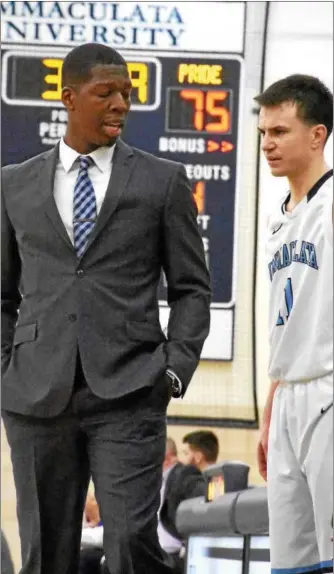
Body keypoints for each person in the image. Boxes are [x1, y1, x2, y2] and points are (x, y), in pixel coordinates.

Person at [1, 43, 211, 574]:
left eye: (127, 92)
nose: (120, 103)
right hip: (34, 395)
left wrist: (174, 370)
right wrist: (7, 370)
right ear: (69, 98)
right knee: (46, 555)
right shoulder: (14, 183)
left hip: (131, 391)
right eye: (106, 92)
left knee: (131, 548)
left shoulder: (163, 181)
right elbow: (3, 294)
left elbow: (191, 288)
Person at [255, 75, 333, 573]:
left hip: (328, 390)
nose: (268, 144)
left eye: (280, 131)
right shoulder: (277, 218)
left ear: (317, 135)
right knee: (290, 563)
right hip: (287, 398)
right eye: (264, 132)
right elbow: (287, 322)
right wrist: (271, 404)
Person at [80, 437, 206, 574]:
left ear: (166, 459)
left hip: (171, 555)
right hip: (145, 548)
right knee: (86, 558)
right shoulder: (145, 486)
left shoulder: (183, 476)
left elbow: (201, 496)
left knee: (120, 564)